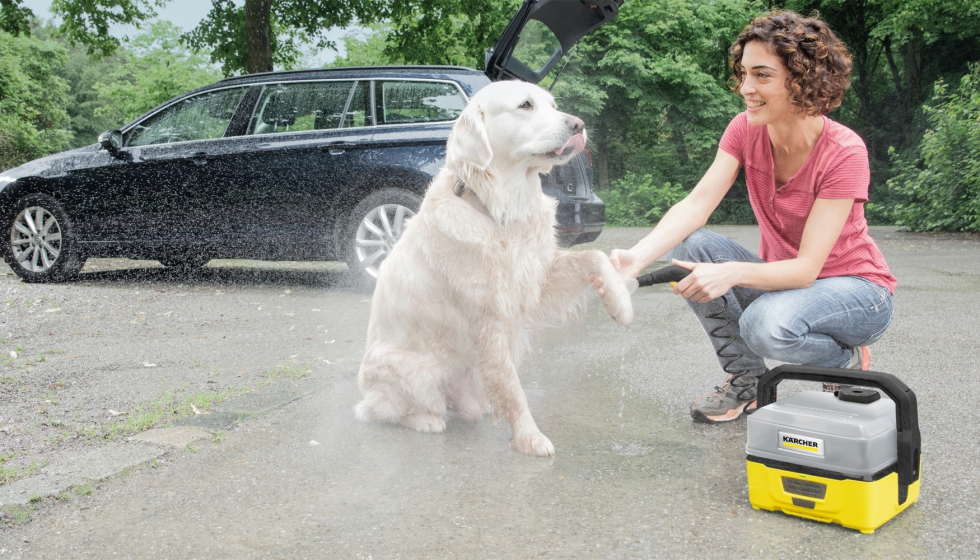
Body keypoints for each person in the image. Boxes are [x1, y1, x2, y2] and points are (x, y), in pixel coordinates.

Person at [591, 10, 896, 423]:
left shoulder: (844, 152)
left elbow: (807, 270)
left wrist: (730, 273)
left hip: (857, 291)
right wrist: (638, 258)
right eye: (744, 73)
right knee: (693, 246)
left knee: (763, 326)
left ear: (803, 78)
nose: (746, 88)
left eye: (762, 75)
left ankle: (840, 357)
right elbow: (696, 206)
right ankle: (748, 381)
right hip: (787, 284)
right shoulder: (744, 129)